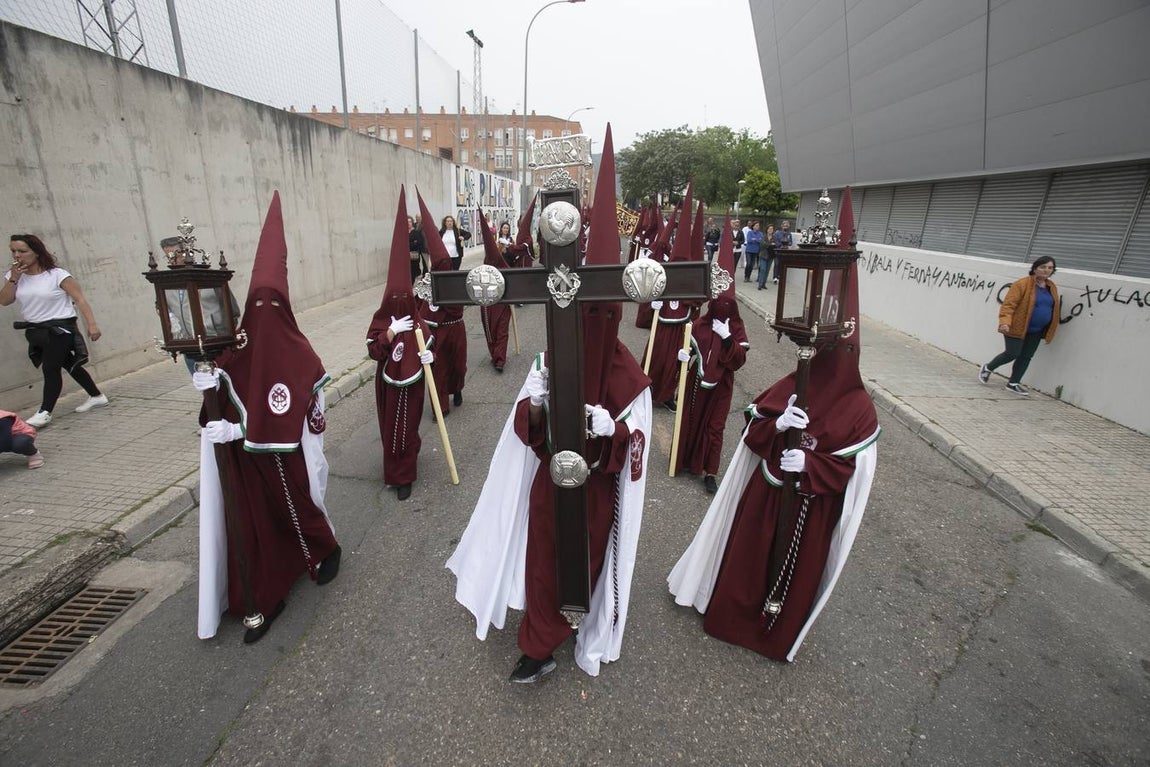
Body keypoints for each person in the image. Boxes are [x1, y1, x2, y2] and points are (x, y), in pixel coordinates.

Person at [447, 124, 652, 683]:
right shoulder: (552, 357)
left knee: (580, 565)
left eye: (604, 314)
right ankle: (538, 645)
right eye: (588, 315)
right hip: (548, 484)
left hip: (595, 497)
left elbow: (634, 460)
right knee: (543, 560)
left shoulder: (630, 381)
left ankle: (571, 627)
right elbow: (524, 429)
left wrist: (613, 434)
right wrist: (538, 406)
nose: (593, 325)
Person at [669, 188, 880, 663]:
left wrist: (812, 463)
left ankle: (774, 623)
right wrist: (777, 422)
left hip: (808, 511)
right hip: (765, 496)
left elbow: (854, 474)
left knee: (789, 571)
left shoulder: (859, 408)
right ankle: (731, 613)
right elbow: (755, 426)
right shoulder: (792, 381)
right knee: (747, 561)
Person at [191, 191, 341, 644]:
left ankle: (323, 549)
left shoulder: (298, 350)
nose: (264, 313)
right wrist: (208, 388)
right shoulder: (236, 347)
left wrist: (243, 427)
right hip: (244, 460)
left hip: (282, 456)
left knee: (295, 511)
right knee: (252, 527)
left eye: (272, 303)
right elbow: (226, 394)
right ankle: (264, 593)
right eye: (257, 304)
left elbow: (303, 408)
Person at [367, 188, 436, 501]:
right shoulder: (384, 318)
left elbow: (428, 348)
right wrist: (390, 333)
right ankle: (391, 471)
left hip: (412, 386)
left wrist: (426, 356)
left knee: (406, 429)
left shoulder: (417, 319)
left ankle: (405, 475)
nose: (399, 304)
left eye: (403, 300)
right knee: (388, 431)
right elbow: (373, 350)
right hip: (387, 387)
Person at [673, 216, 749, 494]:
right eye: (718, 304)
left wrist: (728, 339)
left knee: (715, 427)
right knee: (691, 418)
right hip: (697, 382)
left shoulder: (736, 328)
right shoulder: (700, 326)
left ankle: (710, 471)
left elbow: (739, 360)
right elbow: (690, 350)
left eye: (727, 305)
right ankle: (683, 461)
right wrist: (683, 358)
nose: (723, 308)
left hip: (722, 386)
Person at [2, 234, 107, 429]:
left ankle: (45, 412)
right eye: (13, 251)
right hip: (35, 330)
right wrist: (14, 279)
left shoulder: (57, 275)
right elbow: (4, 300)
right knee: (69, 363)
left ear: (36, 252)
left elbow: (80, 299)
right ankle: (97, 396)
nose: (17, 255)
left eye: (22, 251)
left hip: (60, 329)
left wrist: (92, 324)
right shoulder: (14, 276)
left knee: (50, 368)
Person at [642, 185, 700, 411]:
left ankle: (667, 394)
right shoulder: (665, 269)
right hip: (663, 324)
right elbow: (652, 286)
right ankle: (646, 390)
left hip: (680, 327)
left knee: (674, 362)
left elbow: (698, 300)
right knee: (655, 358)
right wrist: (653, 300)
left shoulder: (692, 274)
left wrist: (692, 305)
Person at [415, 196, 468, 415]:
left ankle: (457, 390)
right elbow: (418, 309)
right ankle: (441, 405)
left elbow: (457, 307)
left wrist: (443, 300)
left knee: (457, 365)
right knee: (439, 367)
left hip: (454, 328)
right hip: (436, 333)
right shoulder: (427, 282)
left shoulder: (454, 282)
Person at [160, 236, 242, 375]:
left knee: (223, 387)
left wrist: (221, 336)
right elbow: (163, 308)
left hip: (215, 346)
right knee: (203, 388)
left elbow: (232, 310)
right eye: (168, 257)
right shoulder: (168, 284)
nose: (172, 260)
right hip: (189, 348)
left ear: (187, 252)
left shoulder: (210, 278)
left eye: (175, 255)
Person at [978, 256, 1060, 395]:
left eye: (1050, 268)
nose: (1046, 270)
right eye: (1043, 267)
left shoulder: (1051, 287)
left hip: (1037, 330)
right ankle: (988, 368)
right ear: (1035, 268)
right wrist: (1005, 322)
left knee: (1026, 356)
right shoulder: (1022, 284)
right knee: (1012, 353)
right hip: (1016, 326)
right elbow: (1009, 305)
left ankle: (1013, 383)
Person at [477, 208, 512, 373]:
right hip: (488, 302)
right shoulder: (486, 263)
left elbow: (513, 275)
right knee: (490, 331)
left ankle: (500, 359)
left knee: (502, 330)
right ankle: (494, 354)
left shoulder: (508, 254)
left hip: (503, 301)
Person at [408, 215, 427, 282]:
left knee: (413, 269)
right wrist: (413, 242)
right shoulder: (404, 232)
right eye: (407, 222)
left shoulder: (416, 232)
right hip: (405, 254)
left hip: (413, 254)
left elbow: (419, 241)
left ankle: (412, 282)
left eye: (410, 222)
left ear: (412, 223)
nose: (408, 223)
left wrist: (410, 244)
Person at [757, 224, 776, 290]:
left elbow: (776, 245)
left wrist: (769, 245)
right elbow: (762, 244)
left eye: (772, 229)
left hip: (770, 256)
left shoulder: (774, 237)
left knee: (767, 270)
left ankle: (764, 284)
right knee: (763, 269)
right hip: (763, 255)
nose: (771, 230)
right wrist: (771, 244)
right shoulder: (763, 237)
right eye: (769, 229)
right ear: (767, 230)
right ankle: (760, 283)